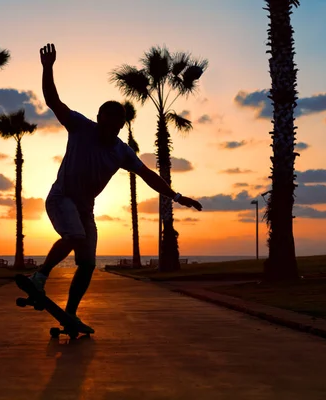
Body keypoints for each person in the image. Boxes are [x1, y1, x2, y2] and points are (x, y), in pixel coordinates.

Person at [31, 43, 203, 334]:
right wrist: (48, 69)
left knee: (86, 264)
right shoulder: (80, 126)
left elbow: (148, 174)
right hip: (61, 198)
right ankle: (40, 275)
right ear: (99, 119)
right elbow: (53, 101)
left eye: (118, 126)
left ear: (122, 126)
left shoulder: (122, 152)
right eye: (109, 125)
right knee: (73, 235)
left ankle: (70, 314)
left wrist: (176, 195)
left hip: (86, 208)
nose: (113, 131)